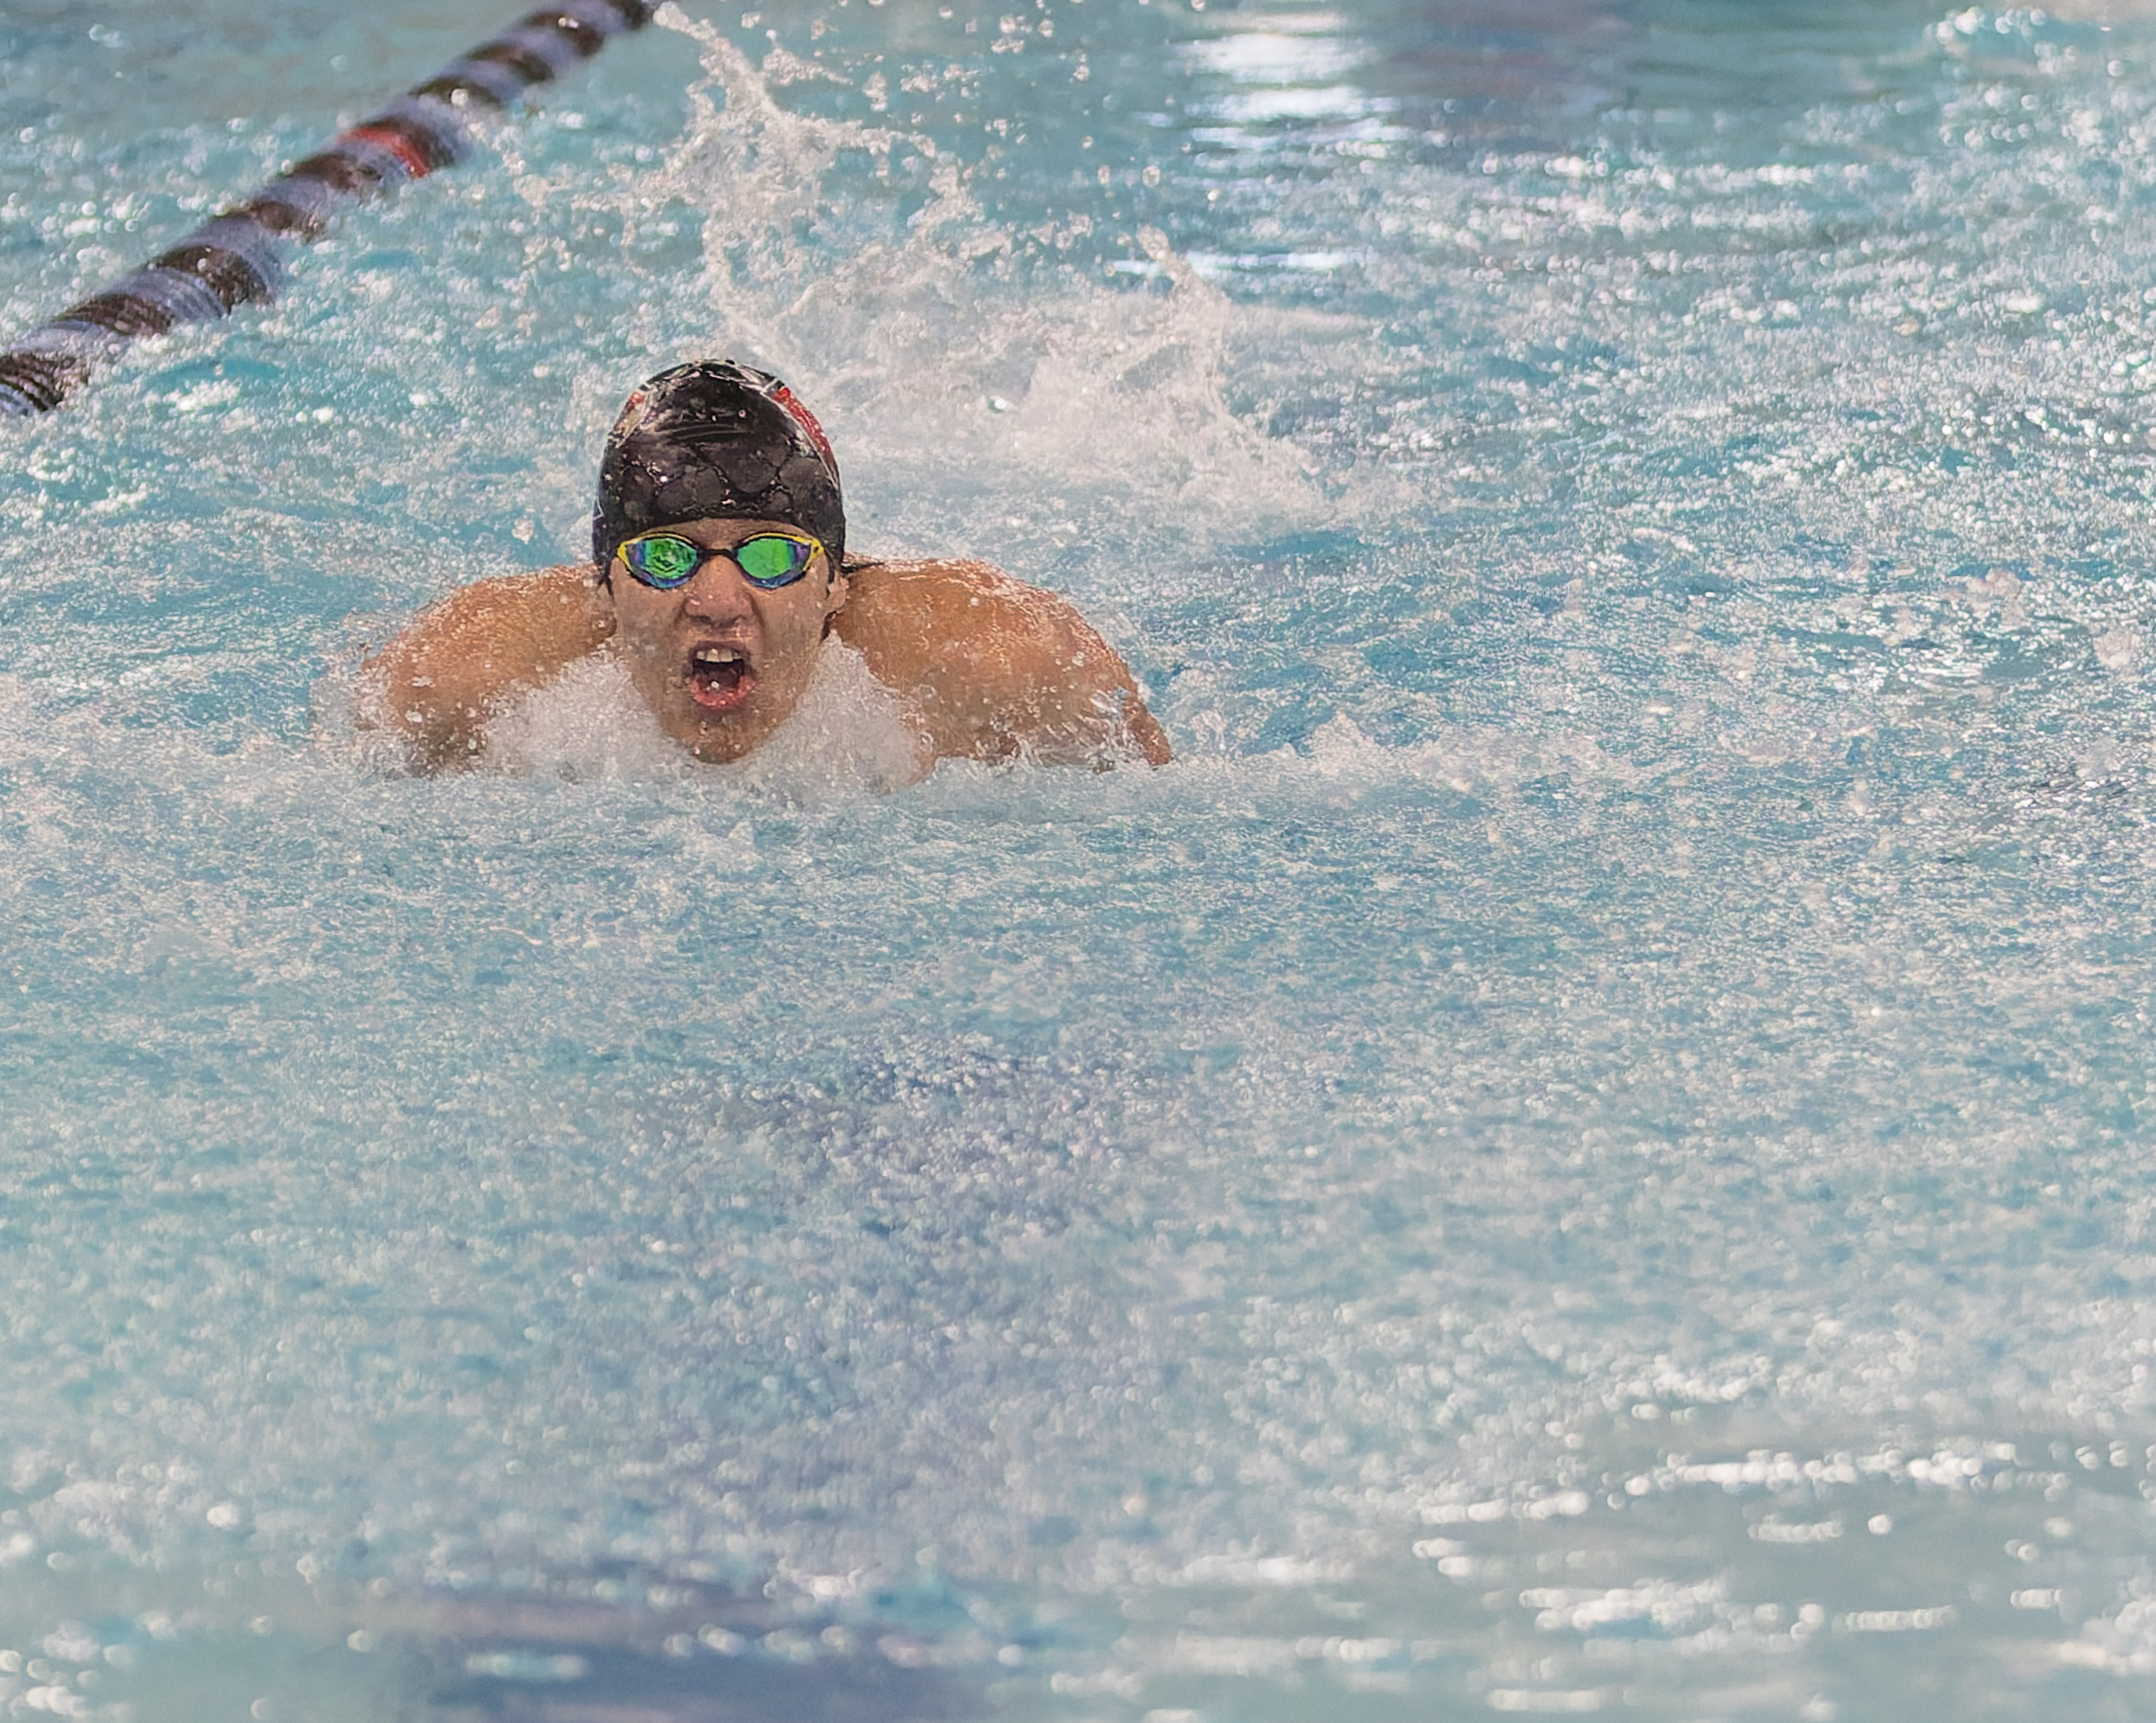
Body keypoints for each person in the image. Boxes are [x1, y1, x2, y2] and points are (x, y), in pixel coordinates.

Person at [363, 359, 1172, 774]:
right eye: (668, 557)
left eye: (774, 555)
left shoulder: (994, 658)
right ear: (605, 585)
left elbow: (1159, 809)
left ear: (838, 580)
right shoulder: (463, 676)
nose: (718, 601)